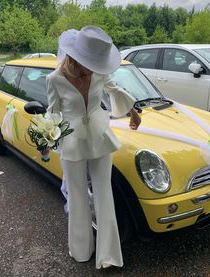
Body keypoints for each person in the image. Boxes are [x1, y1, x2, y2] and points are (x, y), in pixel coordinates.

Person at [46, 25, 141, 269]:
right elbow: (52, 113)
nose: (95, 68)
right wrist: (46, 138)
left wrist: (132, 111)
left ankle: (107, 255)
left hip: (99, 137)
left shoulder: (98, 73)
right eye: (91, 62)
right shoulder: (55, 79)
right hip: (72, 142)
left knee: (104, 193)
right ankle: (81, 250)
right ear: (75, 58)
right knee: (77, 197)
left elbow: (115, 90)